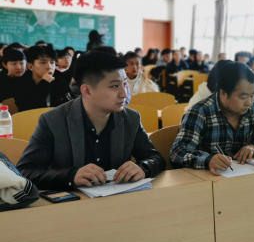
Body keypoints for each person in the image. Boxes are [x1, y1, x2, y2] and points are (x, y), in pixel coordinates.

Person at [171, 62, 254, 242]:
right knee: (207, 232)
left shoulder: (253, 111)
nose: (249, 102)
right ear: (223, 93)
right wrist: (207, 160)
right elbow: (177, 152)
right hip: (206, 191)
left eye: (253, 95)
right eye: (243, 96)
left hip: (242, 186)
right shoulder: (200, 112)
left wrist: (253, 146)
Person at [17, 52, 166, 190]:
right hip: (72, 203)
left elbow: (155, 158)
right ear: (87, 91)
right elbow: (25, 171)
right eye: (114, 86)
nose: (124, 94)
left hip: (118, 200)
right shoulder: (52, 121)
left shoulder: (130, 118)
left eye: (124, 83)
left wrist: (143, 167)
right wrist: (70, 176)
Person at [12, 46, 74, 112]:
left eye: (52, 62)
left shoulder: (60, 80)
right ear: (30, 67)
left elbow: (72, 103)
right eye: (43, 62)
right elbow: (28, 109)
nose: (49, 67)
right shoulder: (21, 84)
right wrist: (44, 83)